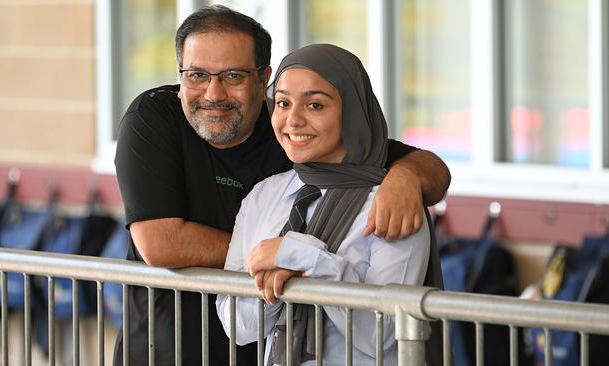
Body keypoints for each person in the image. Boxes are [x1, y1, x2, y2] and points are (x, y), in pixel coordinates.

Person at [113, 5, 450, 366]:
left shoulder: (294, 131)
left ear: (263, 81)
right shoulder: (156, 117)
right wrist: (273, 257)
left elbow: (425, 167)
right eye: (196, 74)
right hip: (166, 344)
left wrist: (407, 176)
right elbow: (161, 243)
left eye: (232, 75)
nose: (213, 93)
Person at [216, 43, 430, 365]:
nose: (293, 120)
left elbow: (383, 335)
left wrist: (305, 258)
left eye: (315, 105)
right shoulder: (264, 196)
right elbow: (238, 327)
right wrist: (275, 287)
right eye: (283, 103)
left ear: (352, 112)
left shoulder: (390, 201)